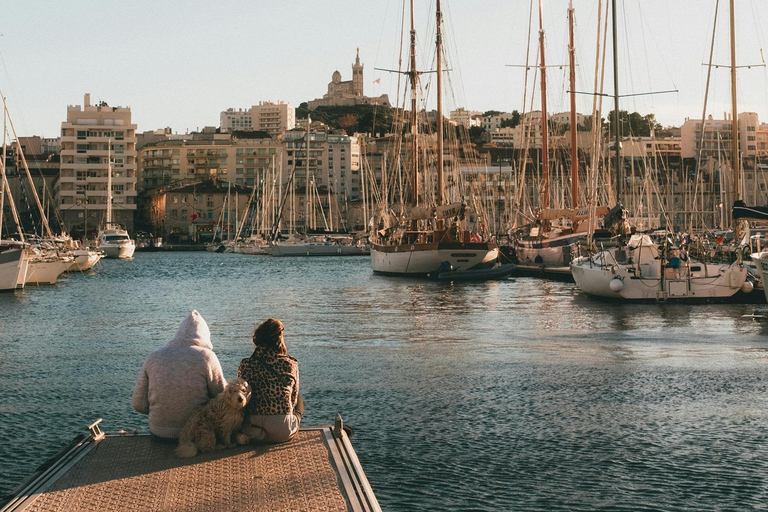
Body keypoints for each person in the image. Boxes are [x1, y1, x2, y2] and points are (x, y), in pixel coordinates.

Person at [132, 310, 227, 441]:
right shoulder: (206, 357)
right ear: (205, 335)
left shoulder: (154, 356)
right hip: (196, 434)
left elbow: (138, 404)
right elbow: (223, 398)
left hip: (159, 433)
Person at [237, 318, 303, 444]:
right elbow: (293, 400)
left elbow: (241, 397)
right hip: (282, 430)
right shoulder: (290, 364)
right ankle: (295, 420)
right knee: (300, 400)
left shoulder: (246, 364)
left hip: (252, 428)